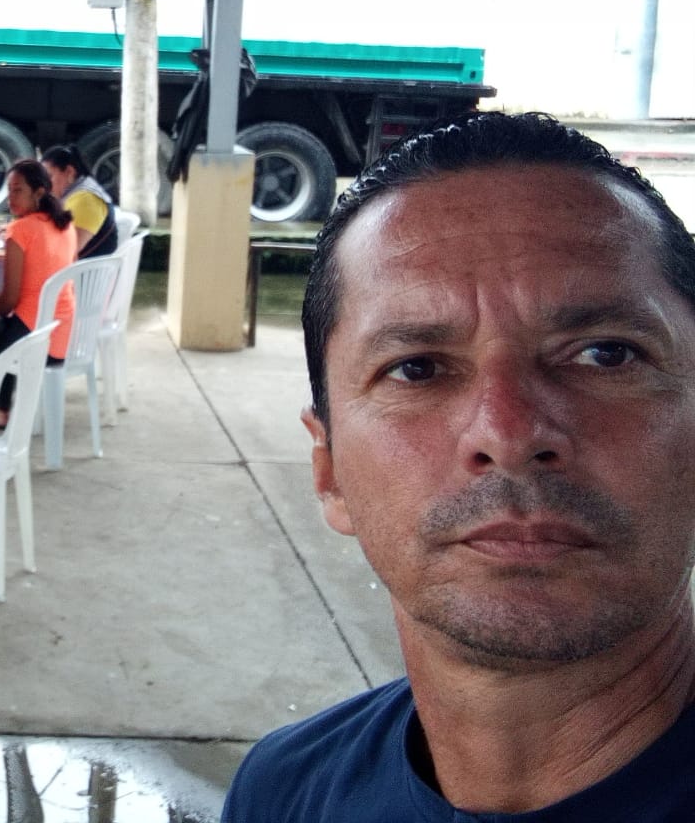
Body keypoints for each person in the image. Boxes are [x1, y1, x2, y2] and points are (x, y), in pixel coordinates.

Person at [221, 110, 695, 821]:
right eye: (416, 368)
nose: (509, 433)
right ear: (329, 470)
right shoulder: (285, 792)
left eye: (606, 354)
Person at [0, 159, 76, 424]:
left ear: (39, 192)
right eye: (9, 190)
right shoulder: (66, 225)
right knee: (5, 328)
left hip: (35, 337)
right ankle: (1, 407)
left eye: (18, 190)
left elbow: (9, 299)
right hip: (64, 332)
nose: (11, 198)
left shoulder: (20, 230)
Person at [41, 144, 117, 258]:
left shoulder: (87, 200)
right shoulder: (77, 192)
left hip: (84, 268)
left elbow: (68, 250)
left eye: (49, 176)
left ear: (70, 172)